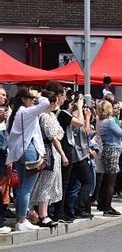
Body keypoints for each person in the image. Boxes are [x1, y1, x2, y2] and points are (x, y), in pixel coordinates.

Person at [6, 87, 50, 231]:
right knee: (26, 188)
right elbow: (46, 103)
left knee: (22, 188)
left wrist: (34, 97)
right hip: (29, 150)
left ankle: (21, 219)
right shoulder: (25, 112)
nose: (33, 100)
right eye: (30, 98)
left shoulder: (16, 113)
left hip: (19, 153)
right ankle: (22, 220)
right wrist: (39, 96)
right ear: (24, 99)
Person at [55, 92, 94, 221]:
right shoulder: (63, 114)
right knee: (68, 183)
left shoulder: (67, 114)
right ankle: (63, 211)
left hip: (73, 151)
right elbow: (81, 125)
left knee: (70, 184)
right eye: (79, 101)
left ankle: (67, 211)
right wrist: (84, 113)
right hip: (72, 152)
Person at [29, 90, 66, 227]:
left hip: (53, 151)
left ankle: (44, 213)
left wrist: (57, 137)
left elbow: (60, 133)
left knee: (49, 183)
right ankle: (43, 215)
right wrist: (63, 154)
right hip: (49, 152)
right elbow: (52, 136)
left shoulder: (51, 115)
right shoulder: (44, 116)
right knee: (45, 183)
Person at [97, 101, 122, 216]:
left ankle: (103, 203)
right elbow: (121, 134)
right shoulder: (109, 122)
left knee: (106, 179)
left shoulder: (101, 121)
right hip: (113, 150)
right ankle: (107, 206)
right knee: (111, 180)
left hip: (107, 149)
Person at [0, 87, 11, 234]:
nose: (4, 97)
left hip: (5, 153)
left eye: (5, 95)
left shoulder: (5, 112)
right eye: (1, 94)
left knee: (4, 186)